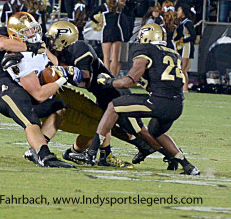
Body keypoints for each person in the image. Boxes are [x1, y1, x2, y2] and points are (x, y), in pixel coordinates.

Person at [45, 21, 177, 169]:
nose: (50, 42)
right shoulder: (63, 53)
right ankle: (107, 156)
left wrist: (62, 68)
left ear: (64, 38)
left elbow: (85, 79)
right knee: (107, 126)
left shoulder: (79, 48)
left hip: (115, 93)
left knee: (140, 131)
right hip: (102, 94)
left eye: (53, 38)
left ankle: (172, 156)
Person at [82, 23, 200, 175]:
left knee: (114, 106)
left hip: (159, 102)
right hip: (177, 105)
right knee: (155, 132)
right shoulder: (173, 53)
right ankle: (188, 166)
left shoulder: (145, 49)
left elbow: (128, 81)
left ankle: (91, 153)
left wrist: (108, 81)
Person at [0, 11, 75, 168]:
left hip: (25, 87)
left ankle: (36, 148)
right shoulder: (3, 34)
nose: (32, 33)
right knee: (30, 119)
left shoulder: (37, 44)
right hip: (5, 87)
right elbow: (2, 44)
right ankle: (44, 156)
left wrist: (62, 71)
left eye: (33, 29)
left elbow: (54, 63)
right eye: (27, 31)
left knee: (59, 108)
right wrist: (31, 47)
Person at [90, 0, 123, 76]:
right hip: (117, 31)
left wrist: (98, 22)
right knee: (115, 58)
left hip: (107, 31)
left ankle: (106, 77)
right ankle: (113, 77)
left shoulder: (103, 7)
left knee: (106, 58)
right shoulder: (119, 6)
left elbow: (91, 15)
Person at [174, 4, 196, 92]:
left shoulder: (188, 23)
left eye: (179, 11)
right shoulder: (181, 22)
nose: (177, 12)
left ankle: (185, 88)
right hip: (182, 47)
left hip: (187, 47)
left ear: (183, 13)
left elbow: (193, 36)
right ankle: (182, 88)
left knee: (183, 69)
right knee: (180, 68)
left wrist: (184, 40)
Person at [117, 0, 136, 76]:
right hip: (115, 36)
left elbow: (130, 12)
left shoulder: (130, 7)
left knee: (122, 59)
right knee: (114, 58)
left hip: (125, 36)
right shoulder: (114, 7)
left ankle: (116, 76)